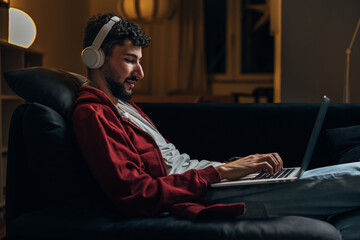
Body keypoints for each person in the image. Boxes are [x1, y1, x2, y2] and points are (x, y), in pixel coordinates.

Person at [72, 13, 360, 220]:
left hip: (208, 180)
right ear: (95, 58)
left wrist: (231, 168)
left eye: (140, 61)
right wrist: (221, 172)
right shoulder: (93, 113)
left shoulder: (122, 104)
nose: (140, 73)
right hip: (202, 192)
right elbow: (136, 195)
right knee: (354, 179)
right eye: (129, 60)